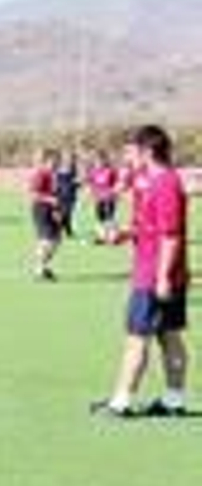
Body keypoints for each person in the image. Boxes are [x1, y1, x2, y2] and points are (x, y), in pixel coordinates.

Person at [90, 124, 190, 418]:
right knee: (168, 335)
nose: (126, 157)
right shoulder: (148, 180)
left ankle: (120, 403)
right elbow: (149, 227)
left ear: (147, 151)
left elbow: (170, 235)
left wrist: (161, 277)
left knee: (138, 337)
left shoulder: (166, 183)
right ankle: (174, 401)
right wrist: (123, 234)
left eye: (130, 151)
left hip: (155, 275)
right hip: (160, 272)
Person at [28, 148, 63, 281]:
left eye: (58, 160)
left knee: (57, 240)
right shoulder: (41, 174)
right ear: (47, 161)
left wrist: (57, 209)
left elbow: (55, 194)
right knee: (46, 240)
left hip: (51, 210)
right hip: (41, 209)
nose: (57, 163)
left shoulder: (54, 175)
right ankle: (39, 269)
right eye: (54, 160)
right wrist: (49, 199)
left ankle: (43, 266)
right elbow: (33, 194)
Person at [87, 151, 121, 245]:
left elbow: (117, 183)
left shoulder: (110, 171)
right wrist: (90, 191)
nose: (99, 163)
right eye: (97, 161)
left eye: (101, 161)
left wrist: (114, 193)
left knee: (109, 217)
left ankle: (113, 237)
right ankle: (102, 237)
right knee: (100, 218)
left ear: (105, 161)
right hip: (98, 199)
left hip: (109, 198)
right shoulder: (93, 171)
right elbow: (91, 183)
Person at [55, 151, 82, 239]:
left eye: (72, 159)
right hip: (60, 195)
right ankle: (64, 231)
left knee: (67, 214)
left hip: (71, 195)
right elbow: (56, 181)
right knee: (62, 214)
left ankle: (66, 231)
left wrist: (77, 183)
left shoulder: (74, 169)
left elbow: (78, 183)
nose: (70, 161)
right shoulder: (58, 169)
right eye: (68, 158)